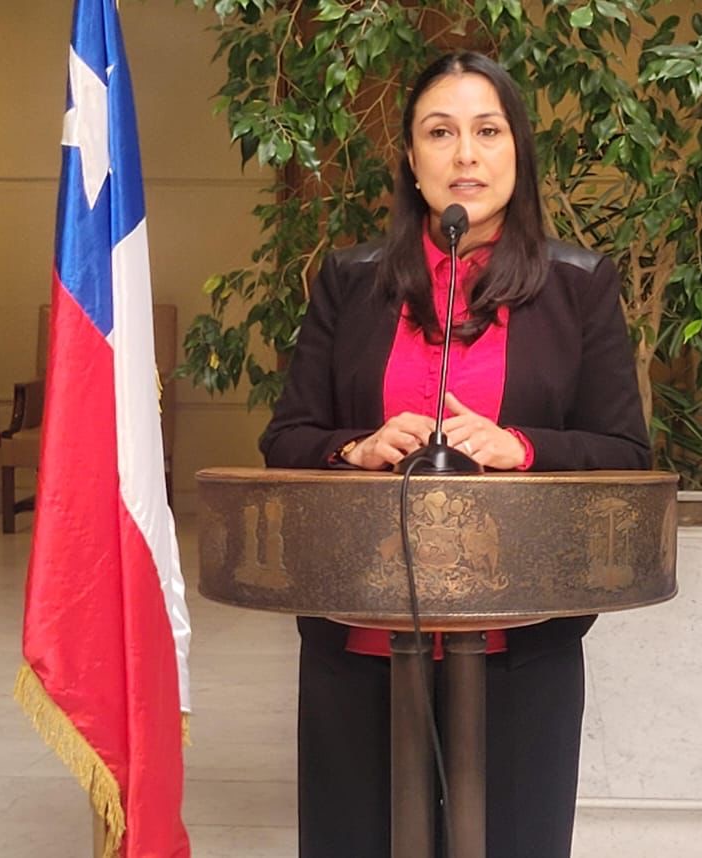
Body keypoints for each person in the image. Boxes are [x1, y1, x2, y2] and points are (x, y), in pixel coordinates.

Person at [259, 51, 649, 858]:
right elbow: (286, 438)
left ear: (518, 151)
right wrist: (356, 448)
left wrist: (521, 447)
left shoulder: (579, 284)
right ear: (411, 158)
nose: (465, 154)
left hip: (520, 642)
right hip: (359, 637)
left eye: (487, 131)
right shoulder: (350, 280)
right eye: (440, 133)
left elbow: (623, 453)